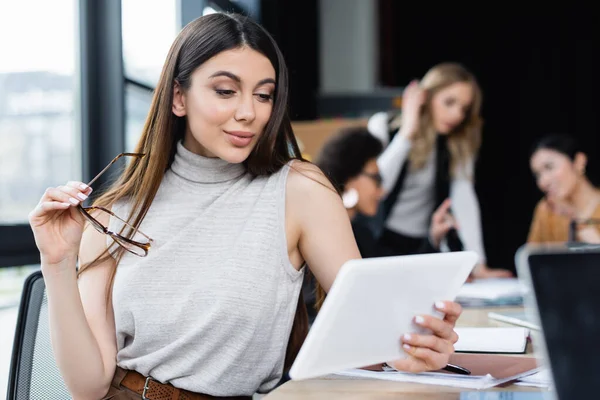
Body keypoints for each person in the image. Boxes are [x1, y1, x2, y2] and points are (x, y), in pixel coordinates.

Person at [28, 13, 463, 400]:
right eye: (225, 91)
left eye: (263, 95)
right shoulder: (116, 210)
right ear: (178, 97)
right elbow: (89, 386)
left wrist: (415, 348)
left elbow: (373, 330)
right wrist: (57, 264)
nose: (248, 112)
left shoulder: (300, 191)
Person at [366, 62, 512, 278]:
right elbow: (377, 187)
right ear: (425, 96)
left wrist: (478, 264)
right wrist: (407, 132)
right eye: (449, 102)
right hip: (377, 245)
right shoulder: (383, 126)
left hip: (424, 248)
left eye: (464, 108)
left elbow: (465, 201)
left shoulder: (455, 145)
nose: (456, 115)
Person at [315, 126, 457, 258]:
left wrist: (433, 238)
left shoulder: (360, 233)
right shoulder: (320, 232)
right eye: (376, 179)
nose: (382, 191)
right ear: (349, 177)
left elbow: (396, 273)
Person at [528, 134, 600, 244]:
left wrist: (581, 225)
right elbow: (532, 258)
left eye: (549, 167)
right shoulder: (547, 210)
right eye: (538, 175)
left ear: (579, 161)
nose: (543, 182)